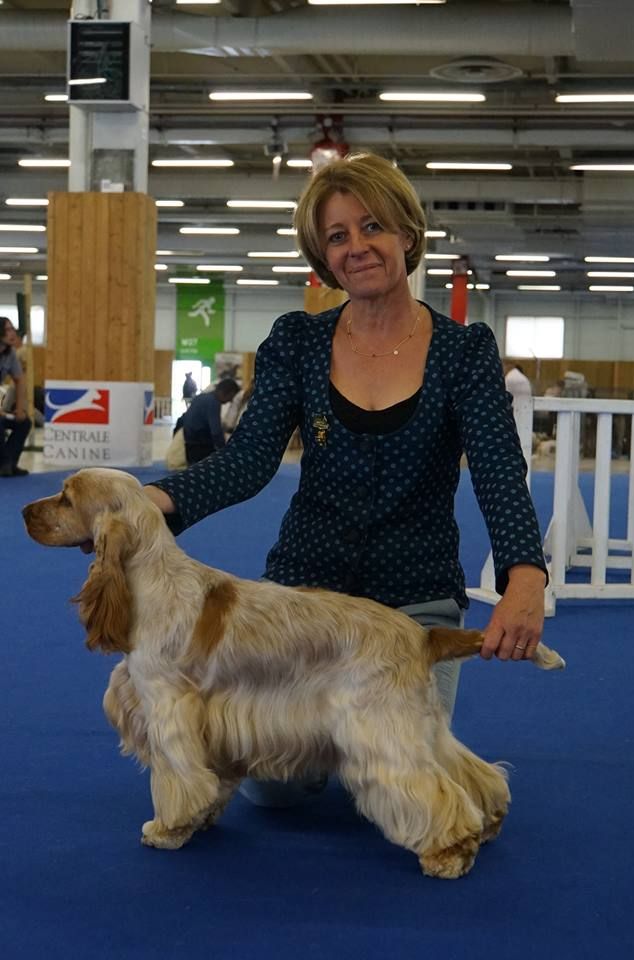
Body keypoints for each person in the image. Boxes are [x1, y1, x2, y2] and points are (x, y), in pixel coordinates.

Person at [140, 153, 548, 807]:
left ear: (407, 234)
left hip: (413, 603)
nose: (356, 246)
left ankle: (420, 756)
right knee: (276, 792)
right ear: (323, 257)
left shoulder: (465, 351)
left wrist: (525, 577)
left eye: (372, 226)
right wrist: (151, 501)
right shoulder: (296, 342)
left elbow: (500, 470)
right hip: (305, 599)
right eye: (337, 236)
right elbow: (247, 462)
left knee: (401, 786)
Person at [179, 377, 240, 465]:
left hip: (189, 444)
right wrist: (225, 450)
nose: (229, 401)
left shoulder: (201, 397)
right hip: (201, 446)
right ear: (227, 393)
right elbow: (216, 431)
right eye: (231, 398)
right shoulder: (213, 402)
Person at [0, 317, 31, 477]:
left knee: (24, 422)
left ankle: (10, 463)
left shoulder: (10, 353)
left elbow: (19, 381)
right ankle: (4, 463)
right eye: (8, 330)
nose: (13, 333)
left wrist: (19, 409)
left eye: (13, 329)